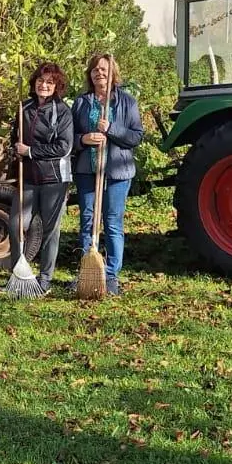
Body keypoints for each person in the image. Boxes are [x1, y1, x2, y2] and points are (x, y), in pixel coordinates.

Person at [71, 52, 144, 297]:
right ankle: (87, 273)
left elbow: (136, 136)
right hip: (87, 170)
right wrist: (84, 139)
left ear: (113, 73)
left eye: (104, 69)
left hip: (117, 172)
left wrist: (111, 128)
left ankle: (111, 276)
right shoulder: (82, 103)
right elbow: (68, 137)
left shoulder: (127, 102)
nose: (99, 73)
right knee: (88, 221)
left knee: (112, 222)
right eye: (95, 69)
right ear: (90, 75)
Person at [8, 61, 74, 298]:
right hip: (27, 177)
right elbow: (15, 138)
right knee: (16, 225)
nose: (44, 85)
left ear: (57, 86)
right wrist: (15, 150)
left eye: (49, 82)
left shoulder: (62, 111)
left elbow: (64, 146)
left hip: (53, 178)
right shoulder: (23, 107)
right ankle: (18, 273)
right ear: (34, 82)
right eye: (40, 80)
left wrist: (31, 152)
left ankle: (45, 278)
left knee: (50, 229)